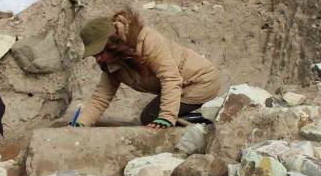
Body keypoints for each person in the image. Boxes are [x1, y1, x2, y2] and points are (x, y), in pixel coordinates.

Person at [75, 9, 221, 128]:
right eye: (95, 55)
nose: (98, 59)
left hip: (201, 81)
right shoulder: (113, 62)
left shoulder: (148, 41)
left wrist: (167, 117)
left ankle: (209, 121)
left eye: (100, 52)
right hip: (182, 84)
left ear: (112, 44)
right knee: (150, 116)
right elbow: (101, 97)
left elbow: (170, 78)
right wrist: (80, 124)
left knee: (152, 117)